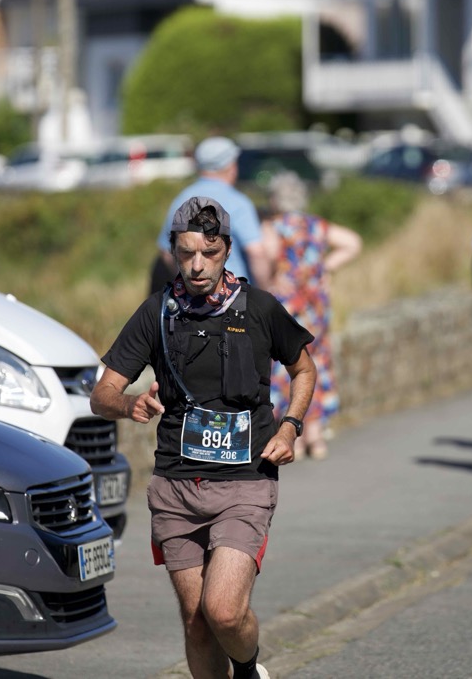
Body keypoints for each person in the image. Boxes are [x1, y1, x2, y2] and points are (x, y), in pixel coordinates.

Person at [92, 196, 316, 679]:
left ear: (226, 251)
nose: (197, 265)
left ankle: (248, 670)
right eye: (186, 253)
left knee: (223, 611)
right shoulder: (157, 313)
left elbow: (304, 369)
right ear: (173, 251)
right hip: (176, 487)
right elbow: (101, 394)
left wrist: (291, 426)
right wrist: (128, 405)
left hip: (246, 481)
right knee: (196, 625)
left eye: (209, 253)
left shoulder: (259, 308)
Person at [261, 172, 362, 461]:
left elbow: (268, 255)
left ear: (274, 199)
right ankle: (316, 437)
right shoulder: (315, 225)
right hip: (316, 305)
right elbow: (353, 243)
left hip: (288, 306)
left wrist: (272, 277)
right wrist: (325, 267)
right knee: (315, 365)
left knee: (287, 368)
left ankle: (294, 437)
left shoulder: (273, 227)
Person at [156, 137, 270, 291]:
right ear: (231, 166)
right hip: (233, 294)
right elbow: (256, 252)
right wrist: (264, 294)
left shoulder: (181, 200)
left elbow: (167, 252)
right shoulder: (237, 202)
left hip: (191, 297)